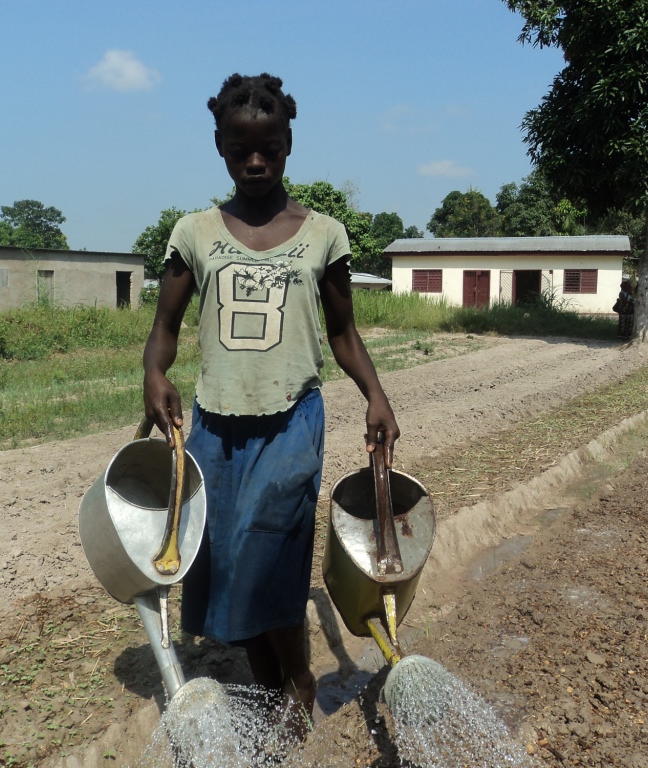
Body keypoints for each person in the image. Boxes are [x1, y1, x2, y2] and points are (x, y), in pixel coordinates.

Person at [141, 73, 400, 741]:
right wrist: (153, 371)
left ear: (288, 145)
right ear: (221, 147)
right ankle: (267, 682)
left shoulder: (323, 235)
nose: (255, 163)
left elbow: (342, 332)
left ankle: (301, 681)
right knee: (223, 564)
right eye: (239, 150)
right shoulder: (194, 232)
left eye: (270, 149)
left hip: (290, 422)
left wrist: (376, 393)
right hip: (216, 427)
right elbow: (166, 326)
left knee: (267, 556)